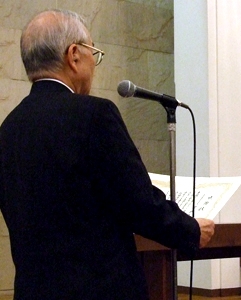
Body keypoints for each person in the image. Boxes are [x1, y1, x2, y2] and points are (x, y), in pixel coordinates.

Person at [0, 9, 214, 300]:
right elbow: (137, 202)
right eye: (93, 53)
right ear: (73, 55)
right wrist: (189, 229)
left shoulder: (9, 129)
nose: (94, 63)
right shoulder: (93, 115)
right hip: (99, 289)